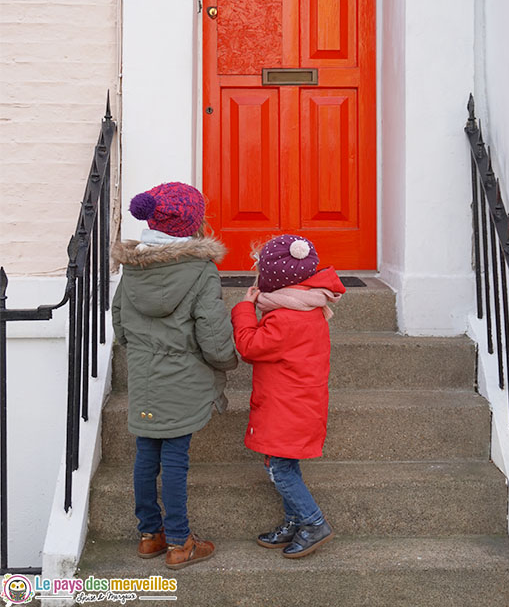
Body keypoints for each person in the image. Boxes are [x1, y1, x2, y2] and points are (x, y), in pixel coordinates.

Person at [111, 181, 238, 570]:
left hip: (147, 377)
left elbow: (119, 321)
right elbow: (213, 332)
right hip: (183, 379)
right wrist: (227, 361)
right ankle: (181, 542)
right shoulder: (200, 272)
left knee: (146, 453)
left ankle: (150, 535)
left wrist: (140, 354)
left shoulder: (134, 268)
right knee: (176, 458)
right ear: (193, 224)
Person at [231, 234, 346, 558]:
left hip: (287, 408)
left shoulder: (285, 318)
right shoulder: (306, 307)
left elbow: (250, 346)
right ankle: (294, 520)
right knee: (284, 465)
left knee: (280, 469)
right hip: (294, 403)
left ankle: (313, 522)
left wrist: (244, 309)